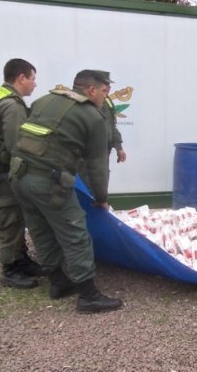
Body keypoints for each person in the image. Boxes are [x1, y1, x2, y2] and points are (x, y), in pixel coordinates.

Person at [9, 70, 123, 313]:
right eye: (104, 91)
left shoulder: (46, 100)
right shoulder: (92, 117)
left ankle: (59, 283)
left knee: (41, 231)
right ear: (91, 90)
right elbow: (97, 166)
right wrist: (101, 199)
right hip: (48, 181)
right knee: (75, 233)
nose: (107, 96)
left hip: (18, 175)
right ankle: (88, 296)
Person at [0, 59, 43, 289]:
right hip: (5, 171)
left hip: (3, 169)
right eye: (33, 78)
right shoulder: (12, 106)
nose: (35, 84)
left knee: (15, 215)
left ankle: (20, 259)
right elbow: (17, 145)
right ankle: (10, 269)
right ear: (21, 78)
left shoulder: (1, 96)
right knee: (10, 217)